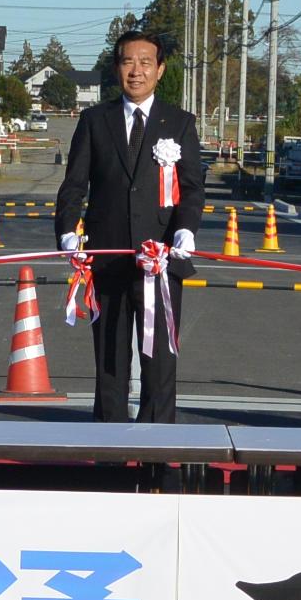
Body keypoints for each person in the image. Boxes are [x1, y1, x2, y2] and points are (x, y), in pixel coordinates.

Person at [54, 30, 205, 422]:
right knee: (110, 361)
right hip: (106, 260)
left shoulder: (181, 123)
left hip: (161, 260)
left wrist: (186, 230)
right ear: (116, 67)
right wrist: (68, 232)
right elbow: (73, 186)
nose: (136, 71)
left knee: (160, 364)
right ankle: (111, 450)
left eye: (145, 63)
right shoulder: (94, 121)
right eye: (127, 62)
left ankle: (158, 451)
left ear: (160, 70)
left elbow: (191, 189)